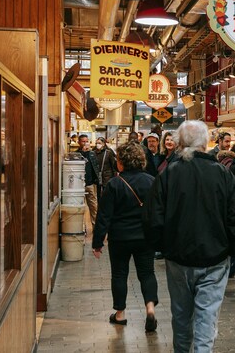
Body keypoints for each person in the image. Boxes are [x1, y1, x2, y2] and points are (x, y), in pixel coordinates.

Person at [148, 121, 235, 353]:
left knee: (181, 317)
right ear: (205, 144)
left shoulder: (168, 174)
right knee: (207, 319)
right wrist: (230, 249)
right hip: (214, 260)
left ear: (181, 143)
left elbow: (153, 217)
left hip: (178, 259)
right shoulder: (223, 174)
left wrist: (164, 247)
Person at [91, 143, 159, 333]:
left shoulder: (114, 184)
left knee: (119, 274)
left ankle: (120, 314)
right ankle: (150, 309)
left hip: (119, 237)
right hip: (145, 237)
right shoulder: (151, 181)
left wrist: (97, 242)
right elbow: (157, 211)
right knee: (147, 273)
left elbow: (103, 216)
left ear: (121, 162)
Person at [76, 135, 100, 226]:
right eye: (83, 141)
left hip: (90, 184)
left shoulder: (92, 154)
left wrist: (97, 181)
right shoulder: (76, 154)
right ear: (79, 142)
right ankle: (81, 227)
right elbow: (81, 160)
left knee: (94, 207)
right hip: (79, 185)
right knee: (80, 208)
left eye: (87, 141)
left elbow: (96, 167)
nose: (85, 143)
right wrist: (84, 152)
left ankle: (96, 227)